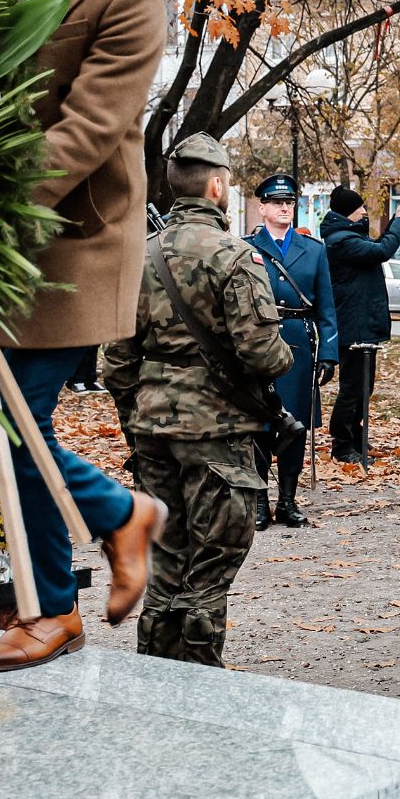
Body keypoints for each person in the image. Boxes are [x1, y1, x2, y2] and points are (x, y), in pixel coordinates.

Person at [0, 0, 168, 674]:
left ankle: (63, 590)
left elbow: (86, 131)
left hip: (66, 245)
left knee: (11, 422)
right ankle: (103, 539)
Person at [101, 134, 293, 666]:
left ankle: (154, 674)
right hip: (217, 435)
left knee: (164, 563)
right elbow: (262, 354)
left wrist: (137, 420)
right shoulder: (235, 256)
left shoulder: (138, 255)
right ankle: (199, 682)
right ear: (217, 186)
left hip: (152, 433)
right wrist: (286, 356)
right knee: (211, 565)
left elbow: (115, 362)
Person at [246, 173, 338, 528]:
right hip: (258, 344)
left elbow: (326, 308)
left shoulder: (314, 250)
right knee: (258, 424)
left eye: (289, 203)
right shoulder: (245, 247)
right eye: (277, 202)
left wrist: (328, 352)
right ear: (262, 208)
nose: (285, 208)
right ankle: (259, 501)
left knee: (295, 425)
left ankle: (287, 500)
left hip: (299, 347)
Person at [319, 187, 400, 463]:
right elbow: (382, 250)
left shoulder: (350, 236)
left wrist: (394, 220)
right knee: (352, 389)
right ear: (348, 212)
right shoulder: (341, 241)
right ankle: (342, 445)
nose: (364, 212)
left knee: (364, 388)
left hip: (362, 323)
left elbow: (376, 247)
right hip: (353, 325)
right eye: (360, 208)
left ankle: (356, 438)